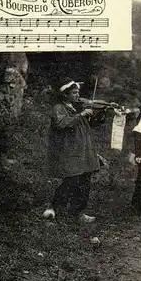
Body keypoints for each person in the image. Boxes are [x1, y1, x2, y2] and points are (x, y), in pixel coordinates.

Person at [42, 78, 112, 223]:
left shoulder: (76, 107)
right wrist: (81, 115)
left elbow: (89, 124)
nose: (77, 95)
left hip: (84, 149)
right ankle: (54, 208)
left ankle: (78, 212)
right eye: (74, 93)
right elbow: (62, 123)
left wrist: (102, 113)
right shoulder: (59, 108)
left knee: (85, 180)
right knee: (71, 180)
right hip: (70, 150)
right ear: (65, 95)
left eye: (77, 92)